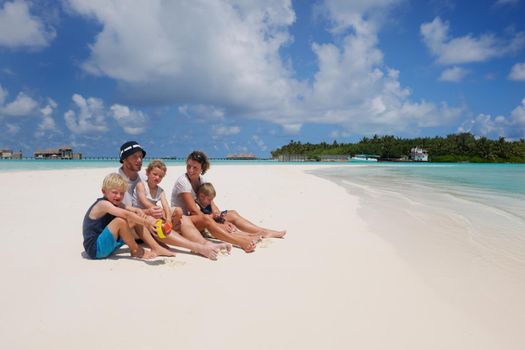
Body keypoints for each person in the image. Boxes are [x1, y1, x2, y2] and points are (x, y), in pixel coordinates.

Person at [118, 141, 230, 260]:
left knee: (181, 216)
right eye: (135, 157)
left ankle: (206, 243)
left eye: (140, 156)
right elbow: (123, 212)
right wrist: (149, 212)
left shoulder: (142, 176)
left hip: (148, 217)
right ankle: (198, 248)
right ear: (124, 159)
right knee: (158, 224)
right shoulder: (119, 181)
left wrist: (165, 216)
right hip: (132, 227)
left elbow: (156, 193)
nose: (139, 160)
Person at [172, 151, 268, 253]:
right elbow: (194, 211)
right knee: (207, 219)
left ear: (202, 168)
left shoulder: (202, 181)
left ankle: (261, 232)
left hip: (197, 219)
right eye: (188, 166)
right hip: (182, 223)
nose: (190, 170)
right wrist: (217, 224)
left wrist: (223, 220)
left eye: (195, 167)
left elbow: (213, 206)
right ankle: (241, 242)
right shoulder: (183, 181)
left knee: (231, 213)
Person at [83, 173, 165, 260]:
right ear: (104, 191)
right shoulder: (103, 204)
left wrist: (138, 210)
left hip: (108, 245)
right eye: (114, 192)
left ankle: (154, 246)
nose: (118, 196)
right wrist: (147, 223)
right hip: (95, 249)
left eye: (122, 193)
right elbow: (126, 214)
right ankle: (136, 250)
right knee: (120, 221)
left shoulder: (116, 203)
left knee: (135, 217)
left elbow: (130, 209)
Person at [196, 182, 286, 239]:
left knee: (232, 213)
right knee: (227, 228)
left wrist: (221, 217)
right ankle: (252, 235)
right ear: (201, 196)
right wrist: (217, 219)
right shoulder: (197, 205)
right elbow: (202, 220)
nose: (210, 201)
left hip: (213, 221)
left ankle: (263, 231)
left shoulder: (207, 200)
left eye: (211, 199)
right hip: (207, 227)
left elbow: (216, 211)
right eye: (209, 199)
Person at [133, 159, 182, 229]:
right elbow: (145, 202)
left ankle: (170, 228)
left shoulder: (161, 191)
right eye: (155, 174)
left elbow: (165, 205)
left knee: (179, 211)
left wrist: (168, 219)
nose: (157, 177)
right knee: (158, 215)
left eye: (160, 176)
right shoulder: (141, 185)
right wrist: (160, 211)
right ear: (147, 173)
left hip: (154, 212)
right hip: (142, 212)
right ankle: (163, 230)